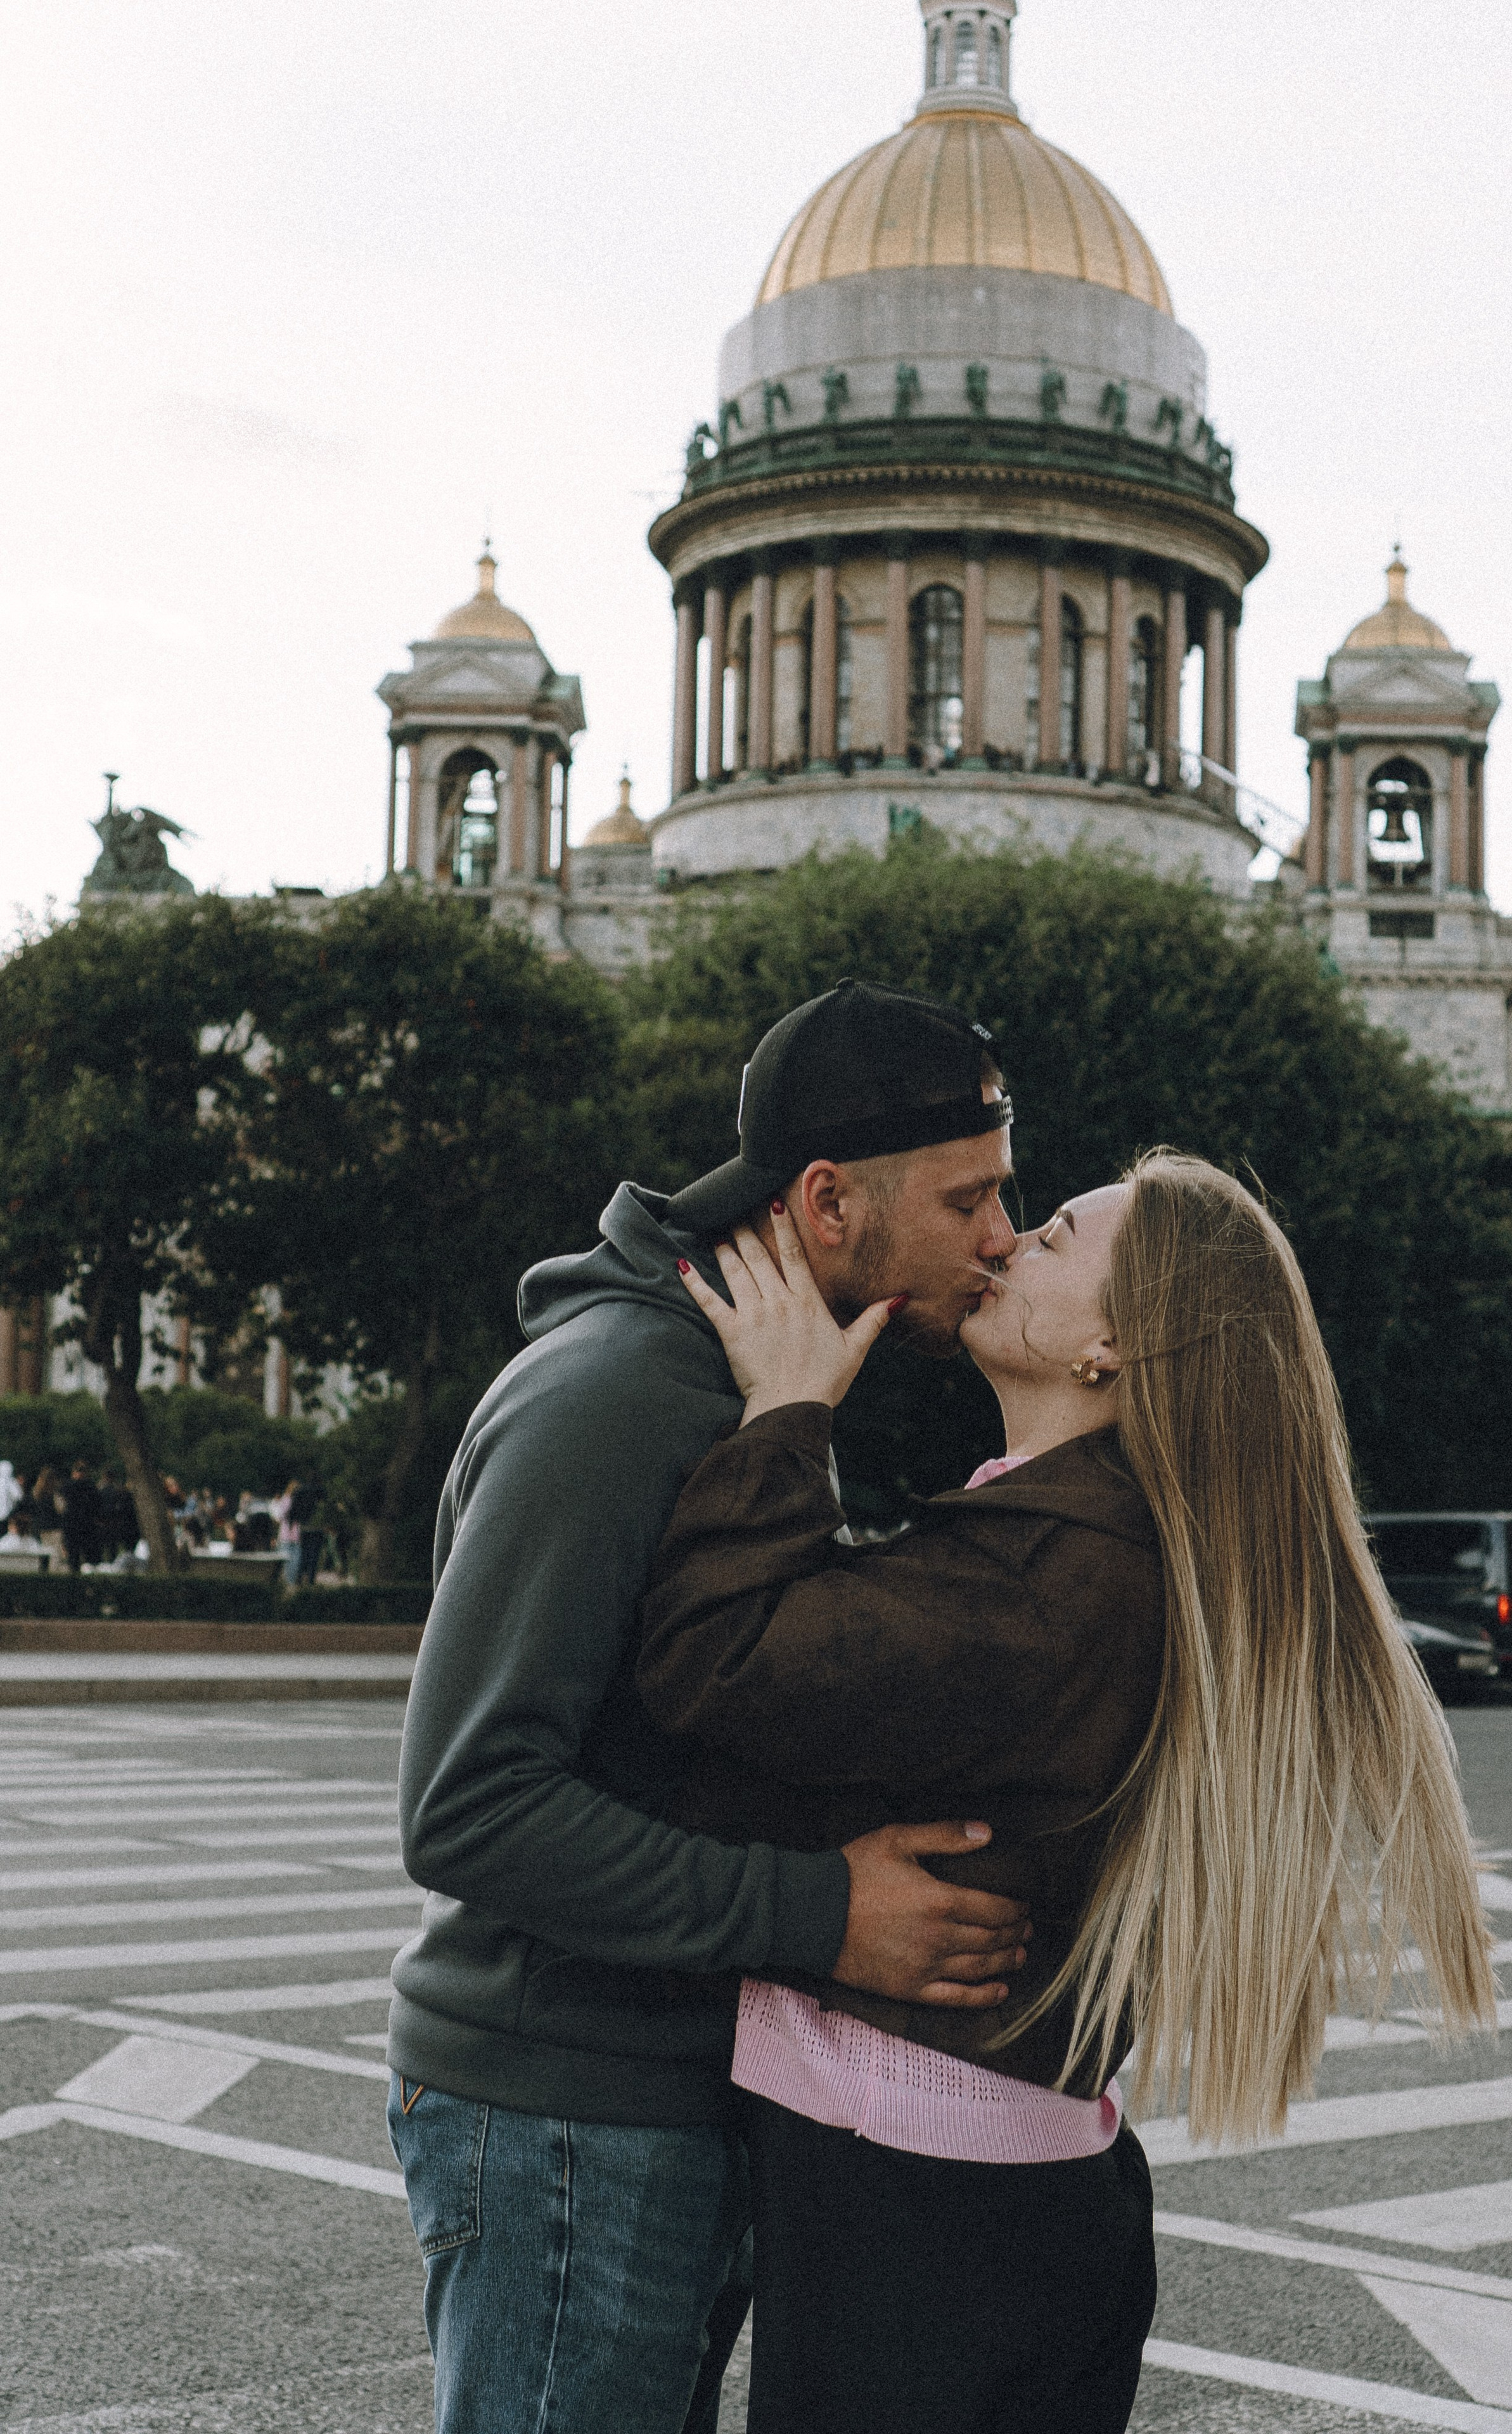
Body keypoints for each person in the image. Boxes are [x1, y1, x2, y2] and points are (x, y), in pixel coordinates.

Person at [639, 1147, 1498, 2434]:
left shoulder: (1047, 1579)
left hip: (918, 2218)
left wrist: (784, 1413)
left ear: (1111, 1345)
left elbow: (709, 1667)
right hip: (1002, 2197)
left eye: (1048, 1235)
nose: (998, 1243)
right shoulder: (1081, 1543)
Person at [387, 980, 1029, 2434]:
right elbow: (469, 1803)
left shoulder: (746, 1376)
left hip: (655, 2090)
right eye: (969, 1197)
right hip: (566, 2107)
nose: (1002, 1235)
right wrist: (823, 1912)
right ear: (825, 1203)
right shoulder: (624, 1389)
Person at [60, 1460, 102, 1573]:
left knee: (73, 1559)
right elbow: (97, 1507)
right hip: (87, 1526)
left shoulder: (67, 1486)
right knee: (90, 1560)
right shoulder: (91, 1487)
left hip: (72, 1526)